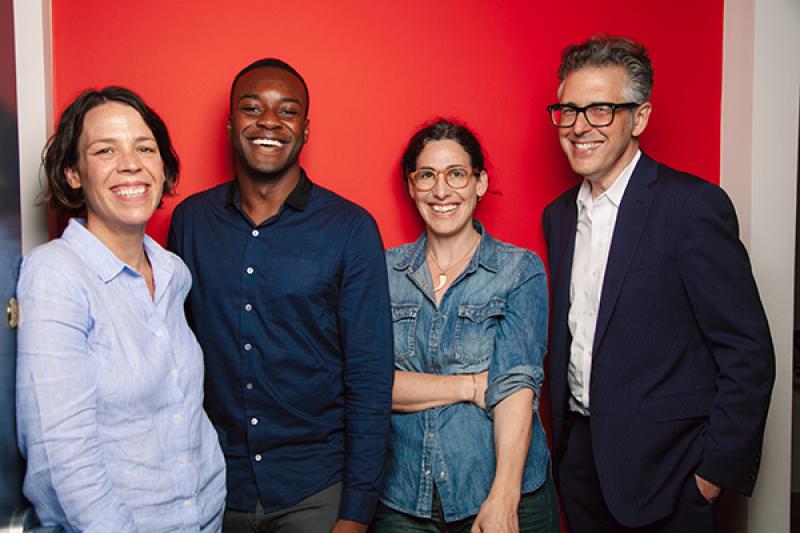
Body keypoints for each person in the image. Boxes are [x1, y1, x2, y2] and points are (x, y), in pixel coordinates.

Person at [542, 35, 775, 532]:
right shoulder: (558, 216)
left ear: (640, 118)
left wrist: (712, 474)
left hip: (670, 474)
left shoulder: (690, 208)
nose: (579, 127)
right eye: (568, 110)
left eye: (600, 110)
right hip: (582, 462)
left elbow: (747, 351)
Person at [168, 58, 393, 533]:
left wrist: (356, 513)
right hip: (212, 487)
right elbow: (171, 357)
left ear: (305, 130)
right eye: (253, 108)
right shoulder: (190, 222)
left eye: (287, 111)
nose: (269, 121)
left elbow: (371, 381)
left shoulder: (350, 229)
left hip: (314, 493)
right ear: (231, 124)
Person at [16, 86, 226, 531]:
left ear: (162, 168)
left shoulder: (172, 272)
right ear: (74, 173)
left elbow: (181, 408)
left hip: (204, 517)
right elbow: (63, 456)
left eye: (144, 148)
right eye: (105, 149)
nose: (130, 163)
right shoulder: (56, 275)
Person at [371, 119, 559, 532]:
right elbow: (370, 385)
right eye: (427, 176)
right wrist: (472, 386)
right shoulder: (382, 272)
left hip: (504, 493)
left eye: (456, 174)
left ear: (480, 182)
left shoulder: (519, 270)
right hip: (403, 502)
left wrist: (503, 498)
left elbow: (514, 387)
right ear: (411, 186)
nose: (441, 191)